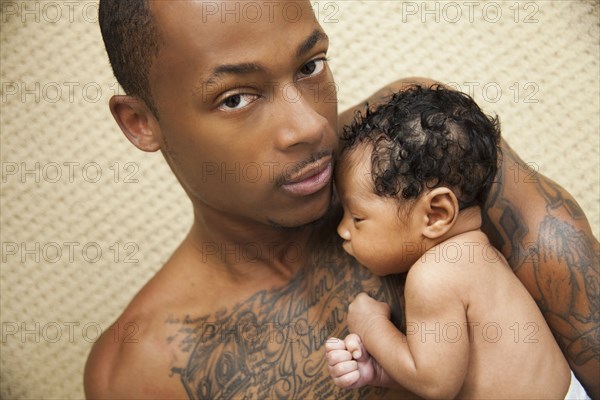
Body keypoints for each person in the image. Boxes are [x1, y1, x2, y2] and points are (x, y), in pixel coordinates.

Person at [85, 1, 599, 398]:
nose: (311, 127)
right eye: (236, 98)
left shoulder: (423, 146)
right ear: (141, 122)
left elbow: (563, 261)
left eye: (311, 66)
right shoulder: (138, 371)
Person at [325, 86, 590, 399]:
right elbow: (464, 372)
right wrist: (383, 372)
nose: (343, 230)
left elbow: (435, 385)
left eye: (357, 218)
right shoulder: (482, 256)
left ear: (436, 213)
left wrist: (370, 325)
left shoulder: (433, 277)